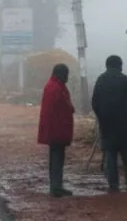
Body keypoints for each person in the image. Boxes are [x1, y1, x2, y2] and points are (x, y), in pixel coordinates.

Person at [91, 55, 127, 193]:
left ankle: (113, 184)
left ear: (107, 65)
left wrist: (102, 117)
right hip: (125, 124)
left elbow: (94, 103)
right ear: (120, 65)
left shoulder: (100, 81)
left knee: (110, 155)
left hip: (107, 125)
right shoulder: (126, 80)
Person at [37, 63, 75, 197]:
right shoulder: (55, 88)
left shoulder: (54, 86)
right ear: (61, 74)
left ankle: (56, 185)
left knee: (56, 158)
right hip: (57, 129)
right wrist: (70, 108)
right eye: (66, 75)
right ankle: (56, 187)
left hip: (56, 128)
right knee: (57, 158)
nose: (67, 78)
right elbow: (60, 108)